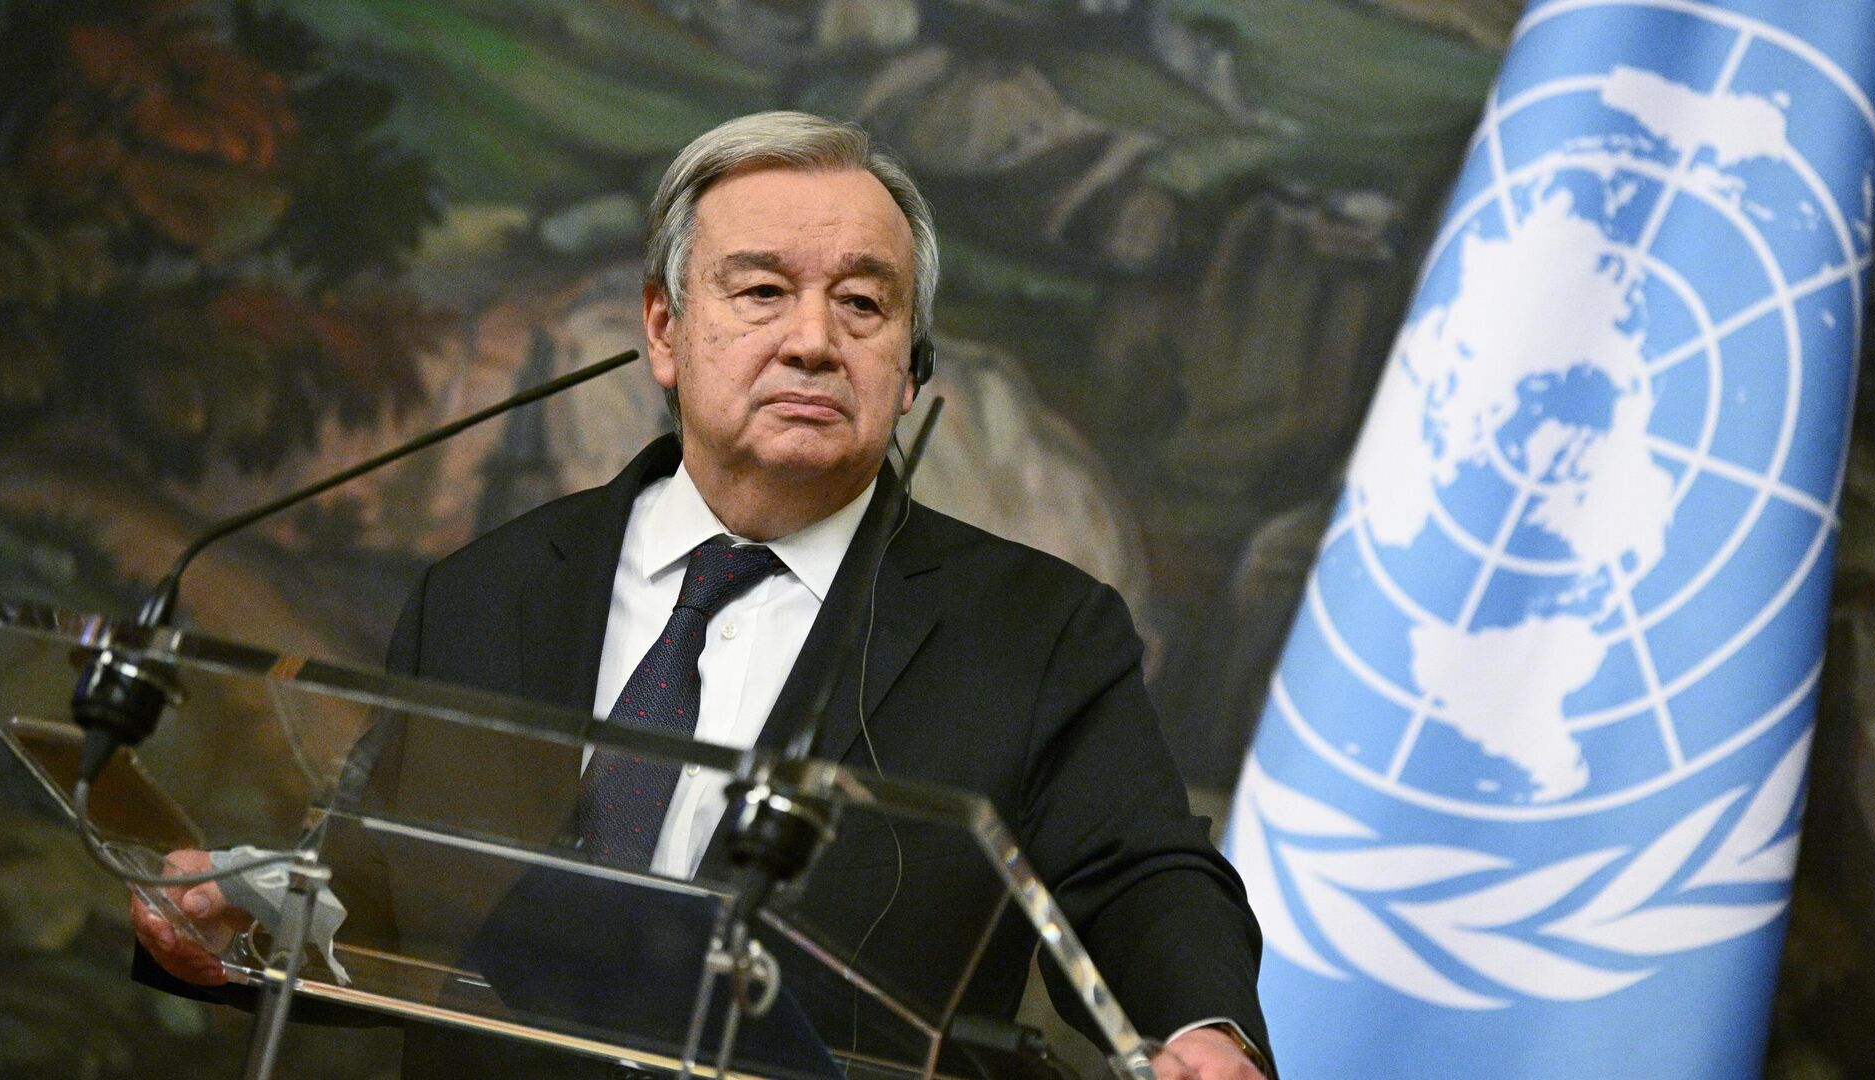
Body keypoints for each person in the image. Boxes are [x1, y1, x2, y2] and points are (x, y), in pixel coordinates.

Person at [132, 110, 1273, 1080]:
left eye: (863, 305)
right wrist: (252, 919)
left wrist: (1201, 1025)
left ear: (910, 368)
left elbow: (1139, 875)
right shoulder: (486, 592)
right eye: (763, 290)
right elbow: (392, 883)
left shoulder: (1034, 630)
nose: (814, 341)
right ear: (665, 330)